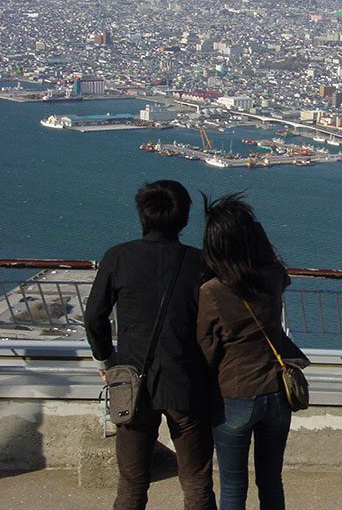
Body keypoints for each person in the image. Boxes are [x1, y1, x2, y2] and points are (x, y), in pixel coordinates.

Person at [85, 180, 216, 510]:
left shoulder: (118, 257)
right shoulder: (200, 263)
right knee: (197, 481)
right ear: (184, 219)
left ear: (142, 215)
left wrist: (108, 362)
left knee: (132, 482)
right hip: (186, 380)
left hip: (130, 380)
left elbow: (93, 319)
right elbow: (216, 323)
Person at [197, 192, 308, 510]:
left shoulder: (212, 291)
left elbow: (205, 347)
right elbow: (279, 272)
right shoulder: (273, 277)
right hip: (277, 393)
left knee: (233, 486)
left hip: (234, 393)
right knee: (271, 480)